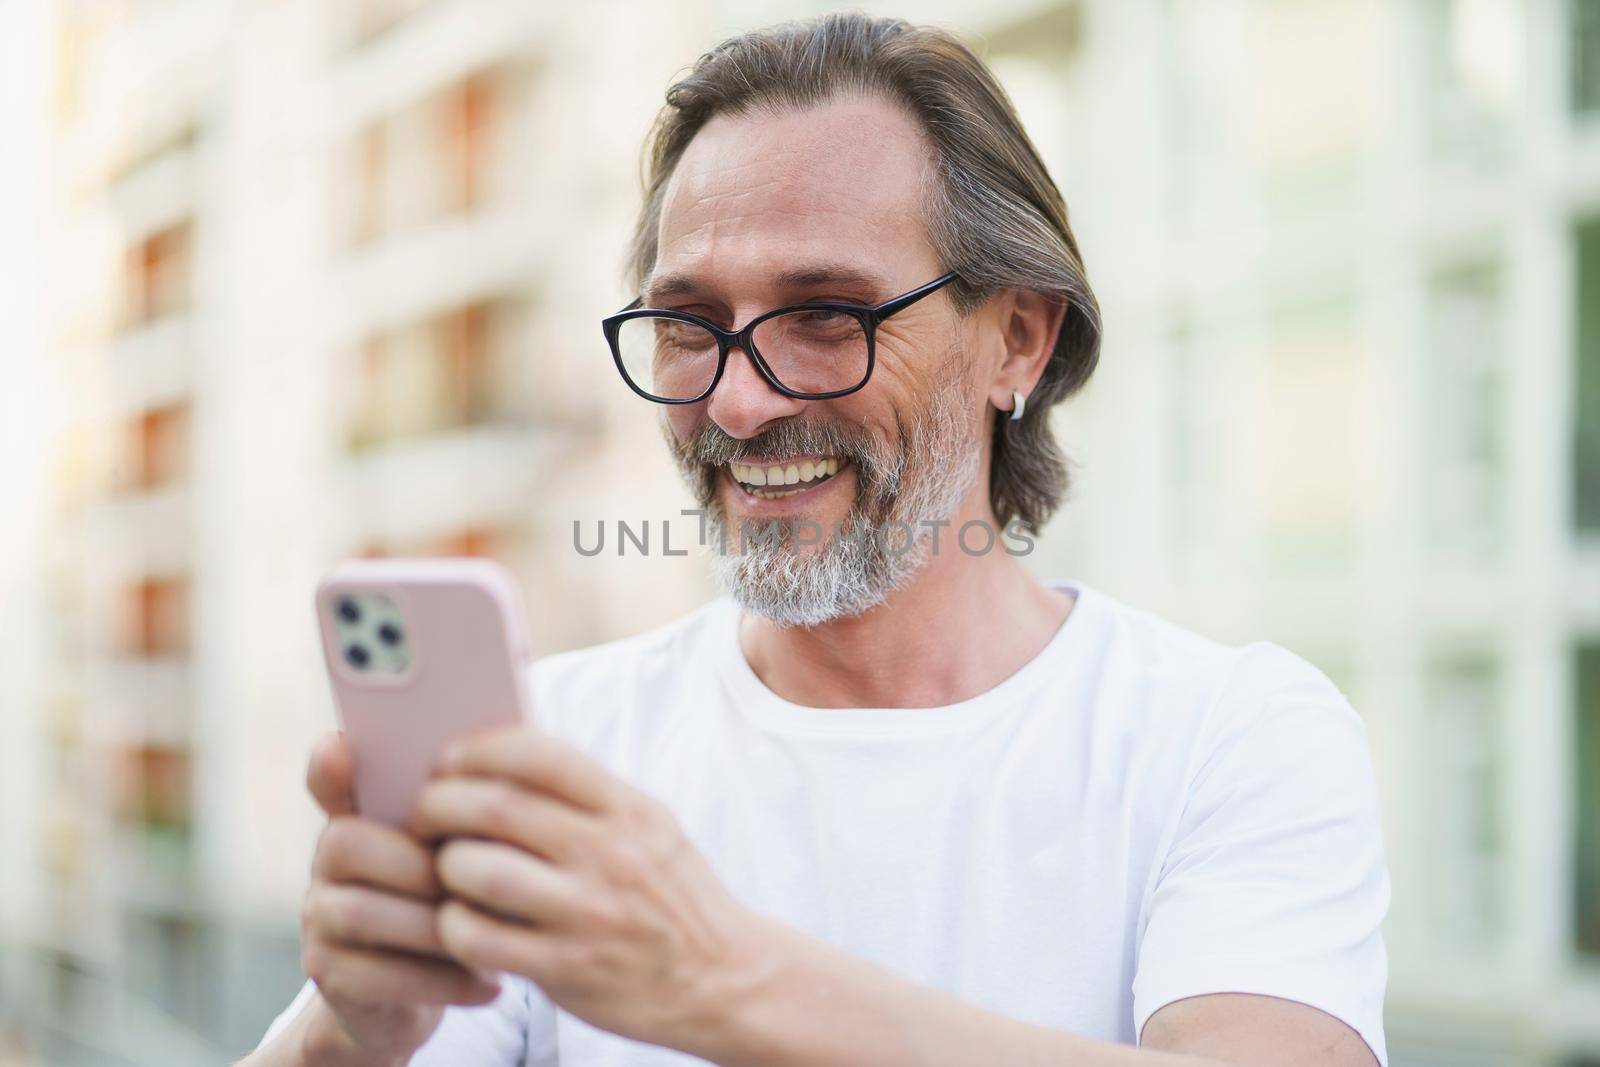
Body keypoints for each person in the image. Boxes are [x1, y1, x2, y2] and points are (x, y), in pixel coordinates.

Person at [243, 13, 1389, 1067]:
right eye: (690, 325)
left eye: (826, 316)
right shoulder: (553, 750)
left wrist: (716, 979)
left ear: (1018, 343)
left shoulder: (1224, 737)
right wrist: (348, 1031)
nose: (739, 404)